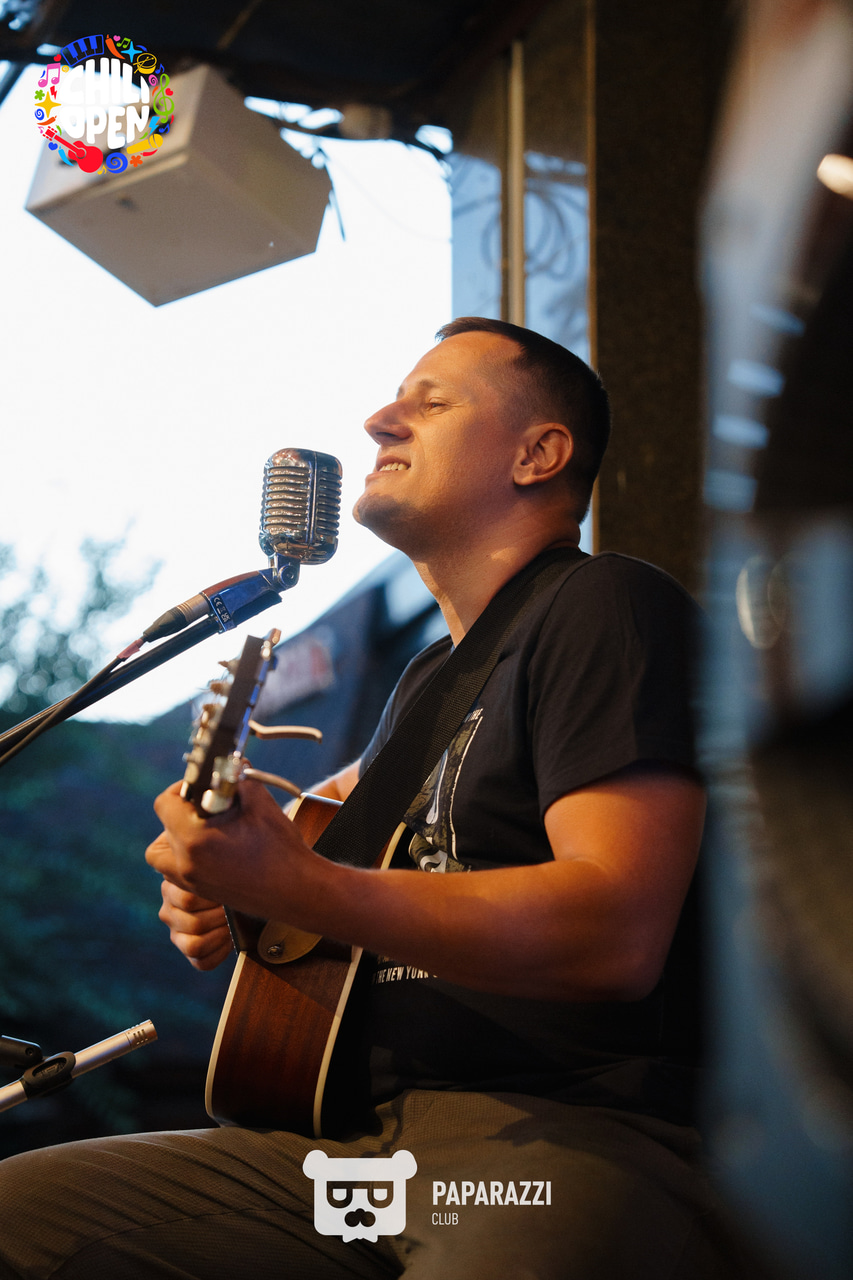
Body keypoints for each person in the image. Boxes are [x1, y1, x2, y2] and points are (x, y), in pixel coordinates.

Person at [0, 319, 753, 1280]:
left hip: (561, 1133)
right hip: (344, 1148)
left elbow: (615, 931)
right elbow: (318, 833)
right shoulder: (426, 684)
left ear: (537, 454)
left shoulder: (605, 605)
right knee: (21, 1216)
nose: (378, 421)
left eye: (430, 403)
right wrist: (237, 888)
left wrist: (300, 888)